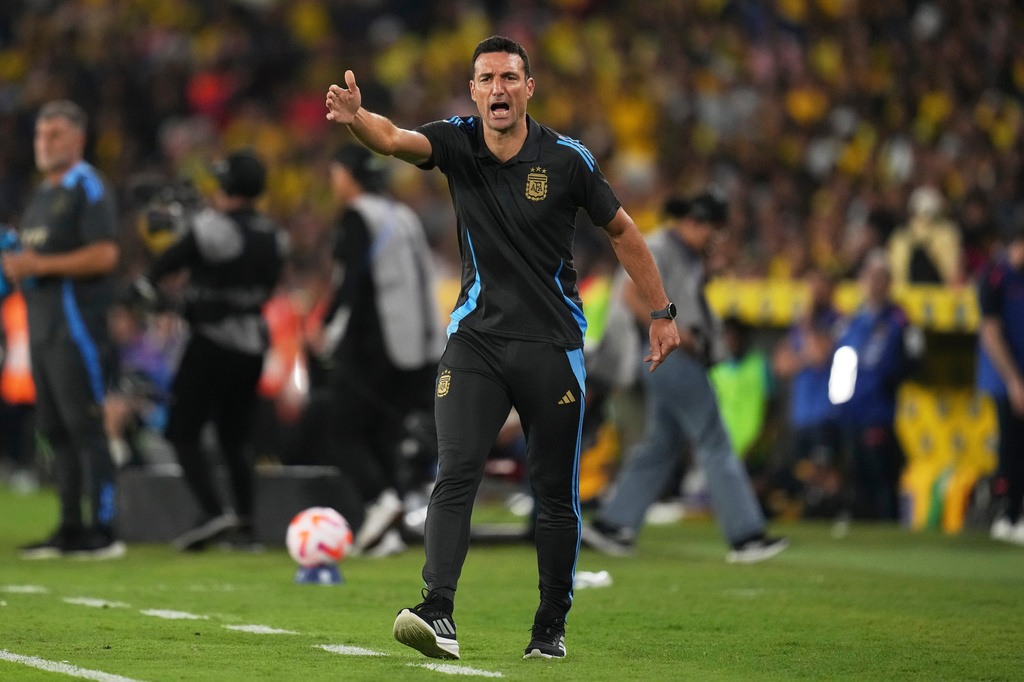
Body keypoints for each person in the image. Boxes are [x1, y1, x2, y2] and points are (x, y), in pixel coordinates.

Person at [325, 35, 680, 660]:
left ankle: (550, 626)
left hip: (552, 346)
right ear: (473, 90)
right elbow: (391, 138)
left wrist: (661, 310)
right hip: (476, 343)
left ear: (528, 88)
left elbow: (622, 231)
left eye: (510, 78)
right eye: (487, 78)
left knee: (554, 493)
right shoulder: (457, 142)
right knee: (455, 469)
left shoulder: (568, 160)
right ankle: (438, 609)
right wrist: (357, 119)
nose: (498, 89)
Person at [580, 192, 788, 563]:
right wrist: (668, 327)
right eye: (714, 230)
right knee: (713, 436)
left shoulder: (683, 253)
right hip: (669, 352)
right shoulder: (659, 245)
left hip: (669, 353)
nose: (716, 239)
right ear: (695, 221)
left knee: (663, 443)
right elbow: (630, 294)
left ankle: (614, 525)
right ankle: (746, 536)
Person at [137, 150, 288, 551]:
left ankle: (212, 510)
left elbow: (166, 264)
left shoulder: (214, 228)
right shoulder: (275, 234)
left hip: (213, 340)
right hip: (254, 342)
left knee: (182, 430)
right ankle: (247, 525)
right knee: (234, 438)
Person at [1, 100, 124, 559]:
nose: (44, 143)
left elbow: (107, 255)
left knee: (85, 426)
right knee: (54, 428)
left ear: (78, 139)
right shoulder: (40, 196)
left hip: (78, 328)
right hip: (41, 327)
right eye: (40, 135)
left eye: (54, 135)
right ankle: (70, 528)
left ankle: (105, 530)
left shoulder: (87, 187)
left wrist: (40, 263)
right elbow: (28, 260)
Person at [317, 143, 444, 557]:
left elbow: (348, 281)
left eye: (336, 173)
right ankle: (384, 532)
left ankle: (380, 500)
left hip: (374, 343)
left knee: (340, 429)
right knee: (384, 435)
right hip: (416, 349)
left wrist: (325, 330)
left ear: (350, 176)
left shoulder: (358, 217)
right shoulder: (403, 215)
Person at [829, 249, 924, 522]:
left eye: (880, 277)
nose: (873, 283)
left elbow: (914, 361)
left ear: (889, 282)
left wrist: (888, 383)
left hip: (880, 412)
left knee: (882, 480)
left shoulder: (899, 320)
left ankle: (890, 530)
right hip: (851, 412)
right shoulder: (852, 320)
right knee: (857, 480)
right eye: (869, 276)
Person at [771, 268, 842, 516]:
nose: (813, 294)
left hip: (827, 411)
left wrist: (808, 324)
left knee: (828, 471)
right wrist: (805, 357)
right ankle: (818, 515)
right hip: (801, 413)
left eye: (818, 287)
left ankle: (838, 515)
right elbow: (780, 365)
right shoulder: (800, 326)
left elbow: (821, 355)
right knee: (807, 471)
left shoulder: (837, 320)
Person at [976, 225, 1024, 545]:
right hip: (1005, 378)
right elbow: (990, 333)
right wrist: (1014, 382)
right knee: (1012, 446)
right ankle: (1009, 516)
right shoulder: (994, 276)